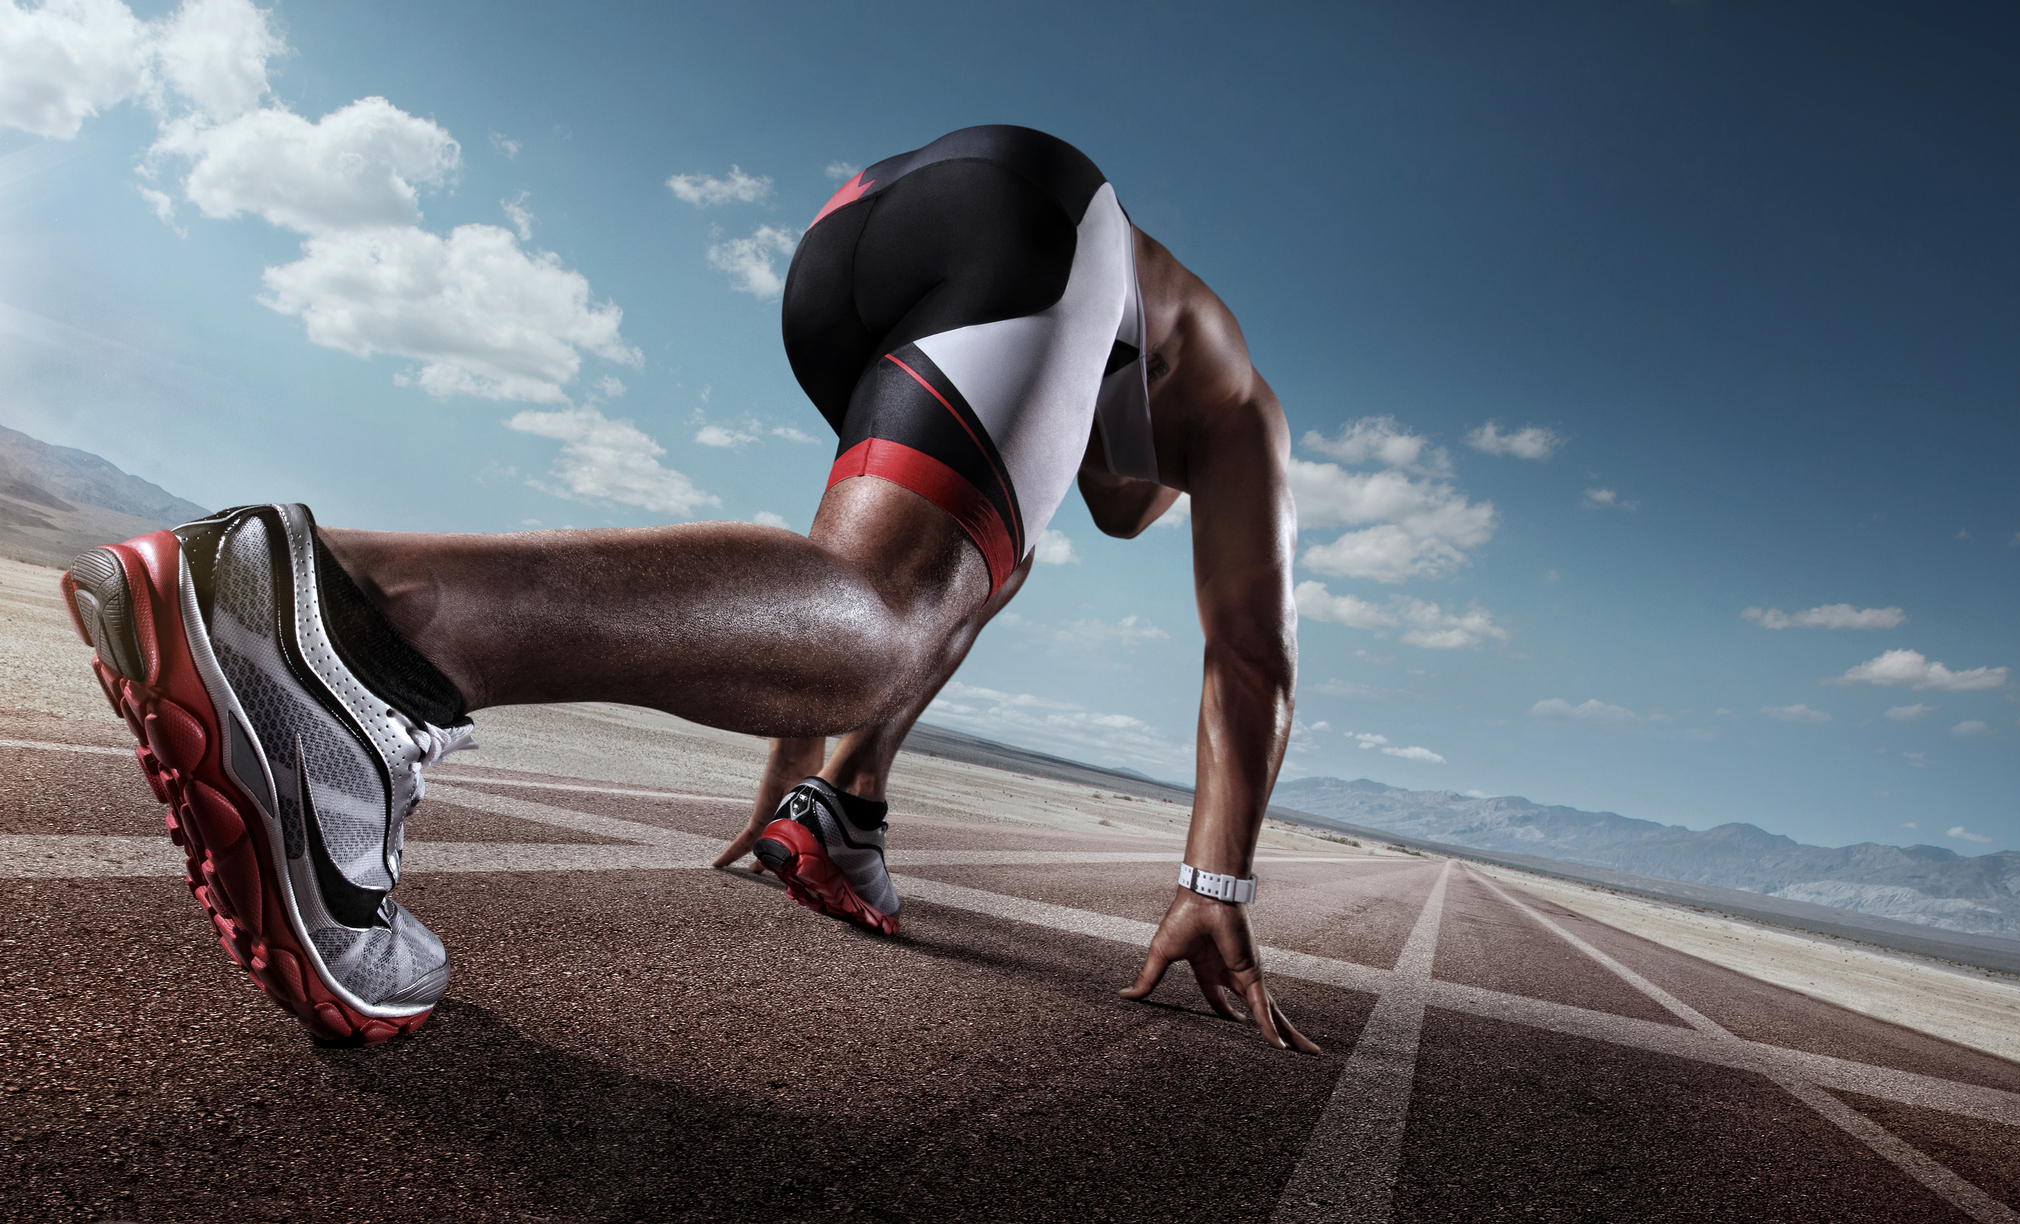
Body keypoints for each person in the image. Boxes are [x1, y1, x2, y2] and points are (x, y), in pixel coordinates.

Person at [62, 125, 1317, 1054]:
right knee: (892, 617)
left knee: (952, 575)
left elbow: (814, 583)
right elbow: (1250, 654)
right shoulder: (1237, 410)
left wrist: (786, 785)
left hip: (858, 235)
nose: (1136, 514)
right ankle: (342, 617)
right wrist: (1215, 885)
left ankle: (841, 814)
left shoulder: (1089, 382)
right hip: (1036, 209)